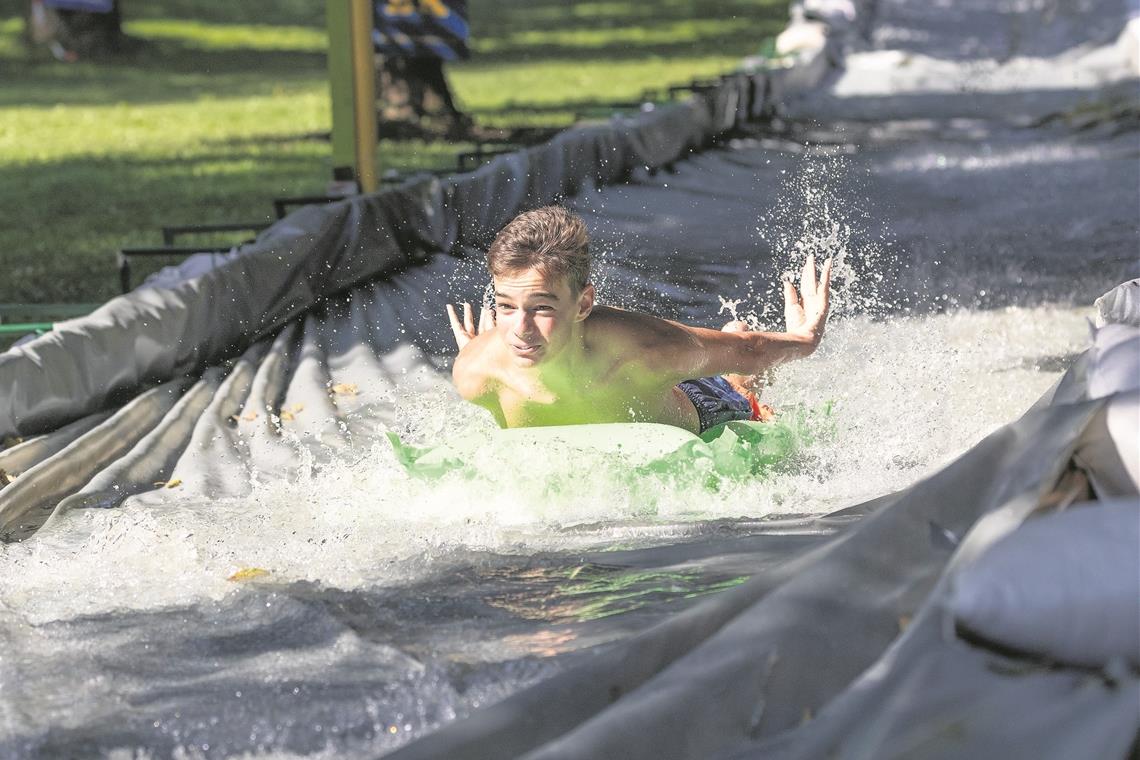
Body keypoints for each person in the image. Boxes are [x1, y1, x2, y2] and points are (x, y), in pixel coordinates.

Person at [446, 206, 832, 434]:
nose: (520, 328)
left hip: (697, 415)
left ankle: (732, 378)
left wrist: (805, 339)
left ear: (583, 305)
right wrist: (486, 347)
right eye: (507, 307)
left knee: (737, 383)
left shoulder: (645, 351)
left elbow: (751, 351)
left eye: (542, 308)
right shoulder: (477, 374)